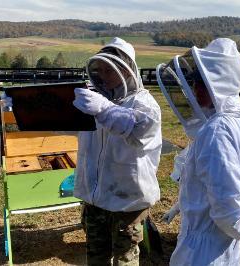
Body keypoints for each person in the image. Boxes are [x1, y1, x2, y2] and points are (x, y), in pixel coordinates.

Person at [156, 38, 240, 265]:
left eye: (201, 81)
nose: (195, 87)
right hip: (222, 247)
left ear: (219, 82)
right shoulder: (237, 122)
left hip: (202, 253)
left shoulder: (216, 130)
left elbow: (226, 199)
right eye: (194, 80)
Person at [72, 37, 162, 266]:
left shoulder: (144, 104)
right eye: (99, 70)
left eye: (108, 70)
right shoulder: (96, 99)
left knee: (125, 258)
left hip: (127, 201)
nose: (102, 76)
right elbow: (67, 124)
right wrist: (28, 110)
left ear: (126, 70)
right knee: (95, 255)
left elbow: (138, 129)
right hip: (95, 197)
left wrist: (103, 109)